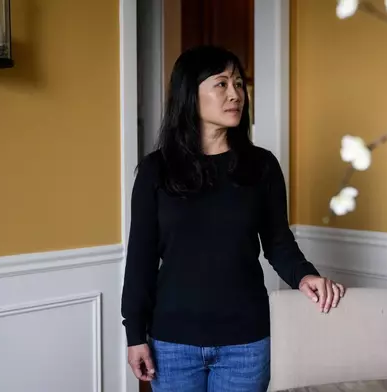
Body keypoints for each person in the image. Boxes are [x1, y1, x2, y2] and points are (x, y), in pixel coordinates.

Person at [121, 45, 346, 392]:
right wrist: (135, 334)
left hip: (246, 342)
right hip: (173, 343)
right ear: (189, 94)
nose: (235, 94)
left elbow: (277, 241)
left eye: (239, 84)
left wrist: (304, 276)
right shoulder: (156, 171)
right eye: (221, 84)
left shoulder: (262, 166)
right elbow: (141, 259)